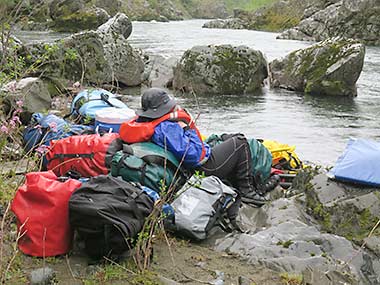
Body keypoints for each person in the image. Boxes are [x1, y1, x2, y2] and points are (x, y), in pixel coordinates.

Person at [129, 88, 268, 230]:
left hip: (183, 167)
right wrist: (186, 128)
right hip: (201, 170)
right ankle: (247, 191)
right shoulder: (167, 127)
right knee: (240, 142)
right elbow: (195, 156)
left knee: (225, 139)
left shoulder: (146, 124)